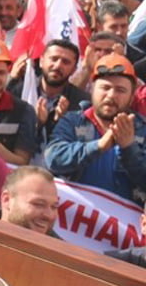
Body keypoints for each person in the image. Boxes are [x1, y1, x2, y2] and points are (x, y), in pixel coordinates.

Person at [46, 53, 146, 203]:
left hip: (123, 222)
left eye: (120, 90)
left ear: (132, 97)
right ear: (92, 90)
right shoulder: (72, 121)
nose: (111, 95)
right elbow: (53, 159)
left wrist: (128, 148)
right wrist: (98, 146)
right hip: (71, 219)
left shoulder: (142, 129)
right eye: (105, 87)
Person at [0, 166, 60, 236]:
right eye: (39, 204)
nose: (49, 215)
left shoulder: (59, 246)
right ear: (6, 200)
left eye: (54, 207)